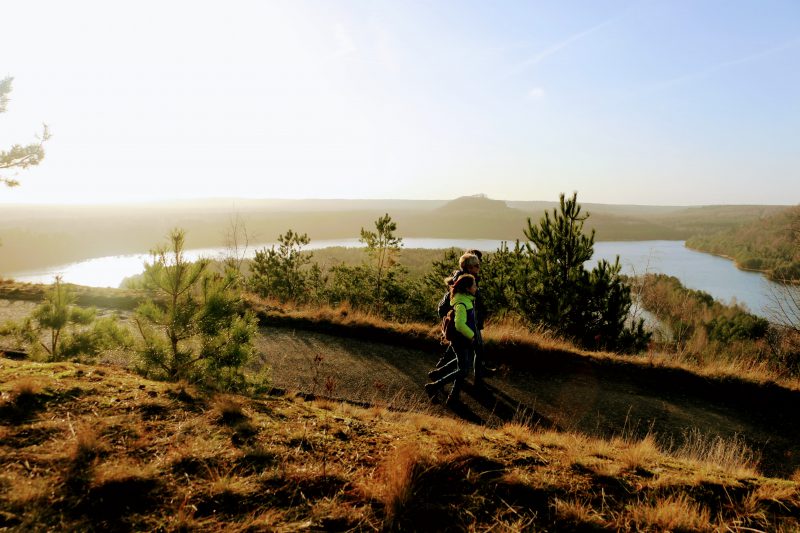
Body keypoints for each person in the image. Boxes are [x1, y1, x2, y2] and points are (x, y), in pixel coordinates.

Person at [434, 251, 495, 384]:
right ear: (469, 267)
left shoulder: (468, 277)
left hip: (466, 319)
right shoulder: (465, 280)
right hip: (463, 321)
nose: (480, 267)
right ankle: (442, 378)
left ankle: (441, 374)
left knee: (461, 352)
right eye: (477, 265)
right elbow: (460, 302)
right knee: (467, 351)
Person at [425, 273, 478, 405]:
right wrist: (472, 336)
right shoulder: (461, 303)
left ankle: (437, 374)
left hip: (463, 339)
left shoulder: (466, 299)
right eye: (474, 285)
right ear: (467, 288)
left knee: (462, 362)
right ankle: (434, 386)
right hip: (460, 340)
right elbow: (459, 324)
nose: (476, 287)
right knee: (463, 369)